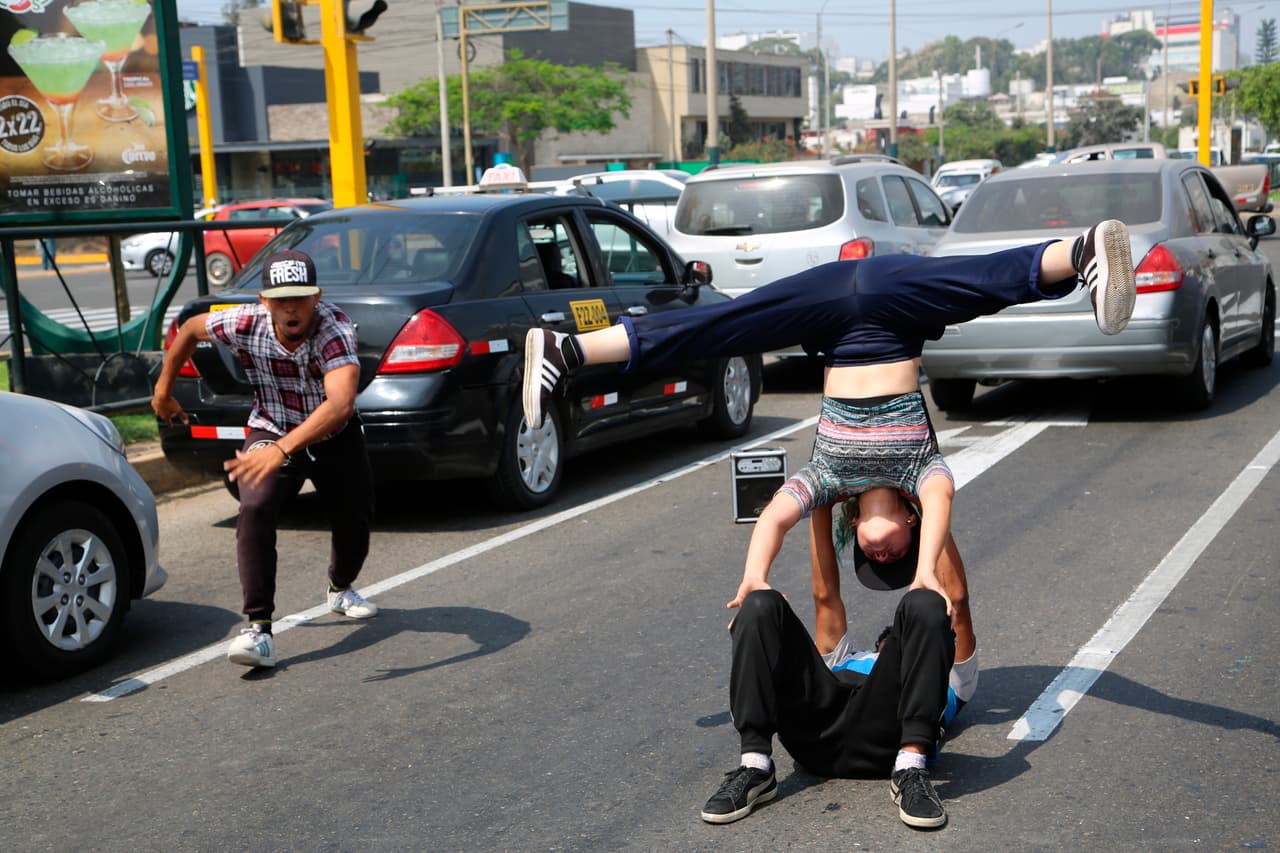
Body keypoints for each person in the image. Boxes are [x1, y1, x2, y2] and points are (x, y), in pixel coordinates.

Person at [522, 221, 1137, 609]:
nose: (884, 557)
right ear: (911, 524)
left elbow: (775, 525)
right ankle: (1079, 251)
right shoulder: (925, 476)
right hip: (898, 308)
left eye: (876, 563)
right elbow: (943, 518)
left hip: (829, 316)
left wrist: (755, 579)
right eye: (896, 557)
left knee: (719, 328)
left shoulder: (827, 481)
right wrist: (926, 576)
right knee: (980, 283)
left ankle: (566, 348)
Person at [151, 248, 378, 669]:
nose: (291, 308)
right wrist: (163, 391)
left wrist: (283, 450)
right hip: (270, 425)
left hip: (332, 436)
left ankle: (340, 587)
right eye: (280, 299)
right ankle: (258, 629)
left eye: (301, 297)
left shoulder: (334, 329)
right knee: (254, 507)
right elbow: (189, 329)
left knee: (354, 522)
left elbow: (341, 404)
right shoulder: (243, 321)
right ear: (263, 300)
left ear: (317, 297)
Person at [699, 501, 977, 829]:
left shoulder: (955, 679)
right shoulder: (844, 656)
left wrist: (926, 504)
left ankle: (911, 769)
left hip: (888, 743)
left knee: (929, 602)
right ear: (879, 645)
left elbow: (955, 598)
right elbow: (824, 594)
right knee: (760, 603)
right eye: (888, 645)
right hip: (817, 737)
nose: (891, 649)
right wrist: (822, 503)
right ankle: (755, 765)